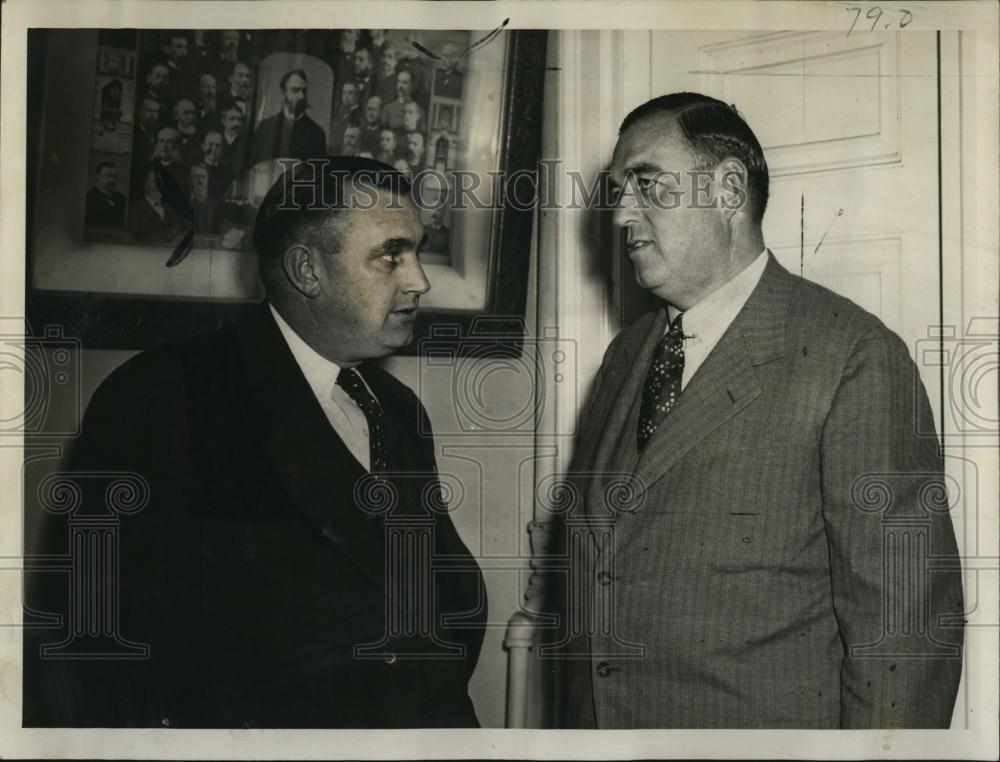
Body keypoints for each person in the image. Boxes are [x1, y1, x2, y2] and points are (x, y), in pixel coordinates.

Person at [23, 156, 487, 728]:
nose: (420, 280)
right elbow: (85, 644)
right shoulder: (163, 396)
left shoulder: (395, 408)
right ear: (306, 270)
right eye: (392, 254)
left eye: (418, 252)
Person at [559, 92, 965, 729]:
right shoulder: (627, 353)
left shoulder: (853, 356)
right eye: (617, 190)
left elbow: (904, 633)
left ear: (727, 190)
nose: (621, 215)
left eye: (646, 184)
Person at [252, 69, 326, 163]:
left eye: (304, 91)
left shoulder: (317, 133)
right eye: (295, 90)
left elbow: (318, 173)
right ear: (283, 94)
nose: (302, 96)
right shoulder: (265, 128)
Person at [126, 167, 184, 242]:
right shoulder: (135, 209)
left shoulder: (171, 209)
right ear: (145, 185)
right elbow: (131, 240)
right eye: (153, 181)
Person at [84, 161, 127, 227]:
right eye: (108, 176)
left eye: (115, 177)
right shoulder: (88, 199)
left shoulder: (122, 199)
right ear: (98, 176)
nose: (112, 180)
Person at [329, 81, 360, 154]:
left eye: (350, 93)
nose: (346, 96)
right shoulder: (338, 116)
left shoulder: (359, 116)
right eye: (344, 92)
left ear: (357, 96)